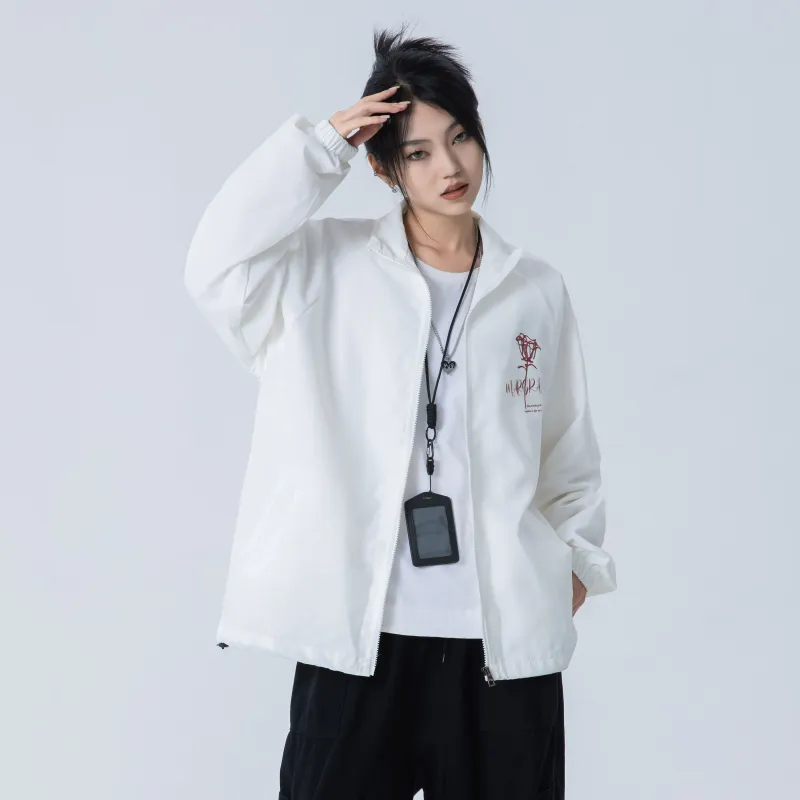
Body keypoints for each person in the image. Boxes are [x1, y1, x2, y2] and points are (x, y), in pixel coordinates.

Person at [184, 23, 616, 800]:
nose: (450, 167)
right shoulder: (324, 268)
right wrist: (321, 148)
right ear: (384, 167)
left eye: (461, 138)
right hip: (360, 647)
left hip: (500, 653)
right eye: (417, 152)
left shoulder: (536, 290)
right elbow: (214, 266)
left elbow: (566, 450)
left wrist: (576, 564)